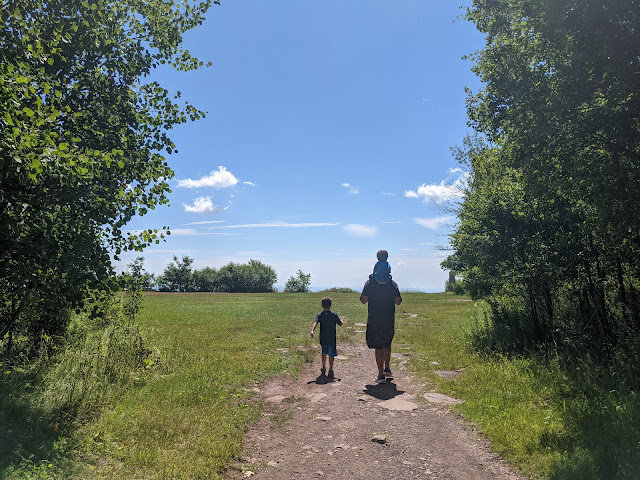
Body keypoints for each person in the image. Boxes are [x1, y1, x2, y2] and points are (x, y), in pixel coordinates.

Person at [360, 271, 402, 384]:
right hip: (388, 319)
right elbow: (398, 301)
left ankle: (380, 375)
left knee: (378, 346)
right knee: (387, 343)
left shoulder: (369, 283)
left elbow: (363, 300)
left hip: (374, 319)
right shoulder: (392, 284)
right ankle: (387, 369)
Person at [310, 297, 344, 379]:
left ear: (321, 305)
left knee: (324, 353)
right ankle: (331, 369)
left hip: (323, 338)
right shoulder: (334, 315)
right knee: (331, 354)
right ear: (331, 305)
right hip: (332, 338)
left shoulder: (320, 315)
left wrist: (312, 330)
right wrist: (342, 322)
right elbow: (340, 324)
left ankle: (323, 367)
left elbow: (315, 322)